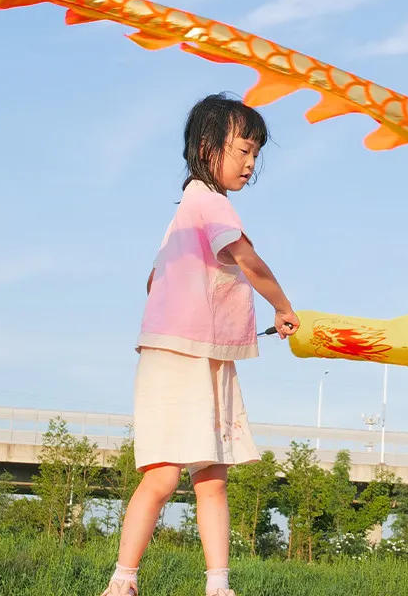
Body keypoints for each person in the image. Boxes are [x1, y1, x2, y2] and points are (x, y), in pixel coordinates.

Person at [101, 93, 299, 596]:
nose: (251, 165)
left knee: (211, 477)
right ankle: (122, 583)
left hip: (200, 353)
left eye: (256, 155)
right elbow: (247, 260)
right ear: (209, 147)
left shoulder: (186, 213)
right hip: (181, 355)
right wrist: (282, 306)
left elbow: (153, 280)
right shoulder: (208, 202)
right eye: (244, 151)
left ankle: (217, 586)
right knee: (165, 475)